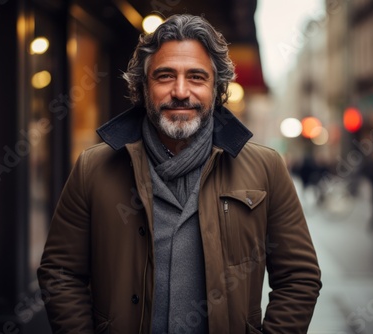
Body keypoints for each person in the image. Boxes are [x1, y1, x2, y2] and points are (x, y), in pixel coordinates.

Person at [38, 14, 321, 334]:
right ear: (143, 87)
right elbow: (60, 273)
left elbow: (299, 278)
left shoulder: (266, 169)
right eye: (165, 76)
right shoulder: (94, 168)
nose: (181, 91)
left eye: (197, 77)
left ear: (217, 88)